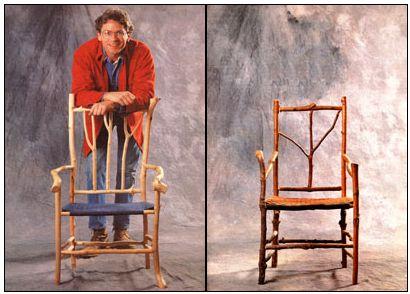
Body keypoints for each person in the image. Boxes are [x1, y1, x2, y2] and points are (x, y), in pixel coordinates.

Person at [71, 8, 155, 247]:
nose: (114, 38)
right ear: (99, 35)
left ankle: (121, 229)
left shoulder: (142, 52)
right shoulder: (84, 53)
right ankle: (98, 231)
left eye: (119, 32)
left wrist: (107, 103)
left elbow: (145, 95)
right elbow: (79, 95)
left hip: (130, 116)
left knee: (126, 171)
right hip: (97, 118)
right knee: (95, 168)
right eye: (108, 33)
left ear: (128, 33)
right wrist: (111, 97)